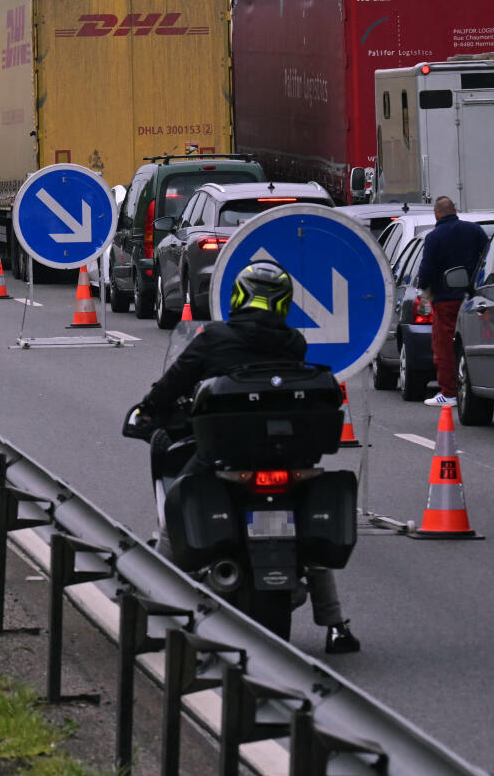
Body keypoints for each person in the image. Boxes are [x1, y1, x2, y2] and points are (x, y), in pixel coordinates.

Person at [131, 261, 361, 654]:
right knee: (309, 537)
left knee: (176, 510)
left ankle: (151, 608)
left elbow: (175, 381)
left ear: (239, 297)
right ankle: (335, 623)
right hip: (288, 460)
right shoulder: (293, 342)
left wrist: (150, 407)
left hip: (223, 458)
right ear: (282, 303)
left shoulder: (213, 338)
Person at [415, 196, 490, 407]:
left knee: (445, 347)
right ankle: (481, 388)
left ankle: (449, 393)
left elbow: (426, 270)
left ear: (436, 214)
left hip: (446, 302)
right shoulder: (475, 231)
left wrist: (423, 284)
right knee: (477, 344)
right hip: (476, 299)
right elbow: (488, 258)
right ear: (455, 210)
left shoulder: (434, 237)